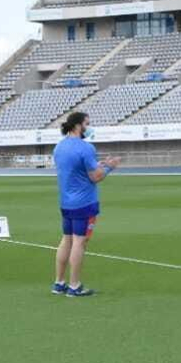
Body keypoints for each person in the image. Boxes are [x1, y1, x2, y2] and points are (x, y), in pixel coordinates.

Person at [53, 111, 120, 297]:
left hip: (66, 201)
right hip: (84, 202)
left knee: (66, 240)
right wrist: (109, 166)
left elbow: (74, 169)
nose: (88, 127)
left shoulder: (59, 147)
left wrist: (97, 164)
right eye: (87, 123)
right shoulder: (85, 148)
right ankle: (74, 286)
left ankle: (59, 282)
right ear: (78, 125)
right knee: (79, 243)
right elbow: (96, 176)